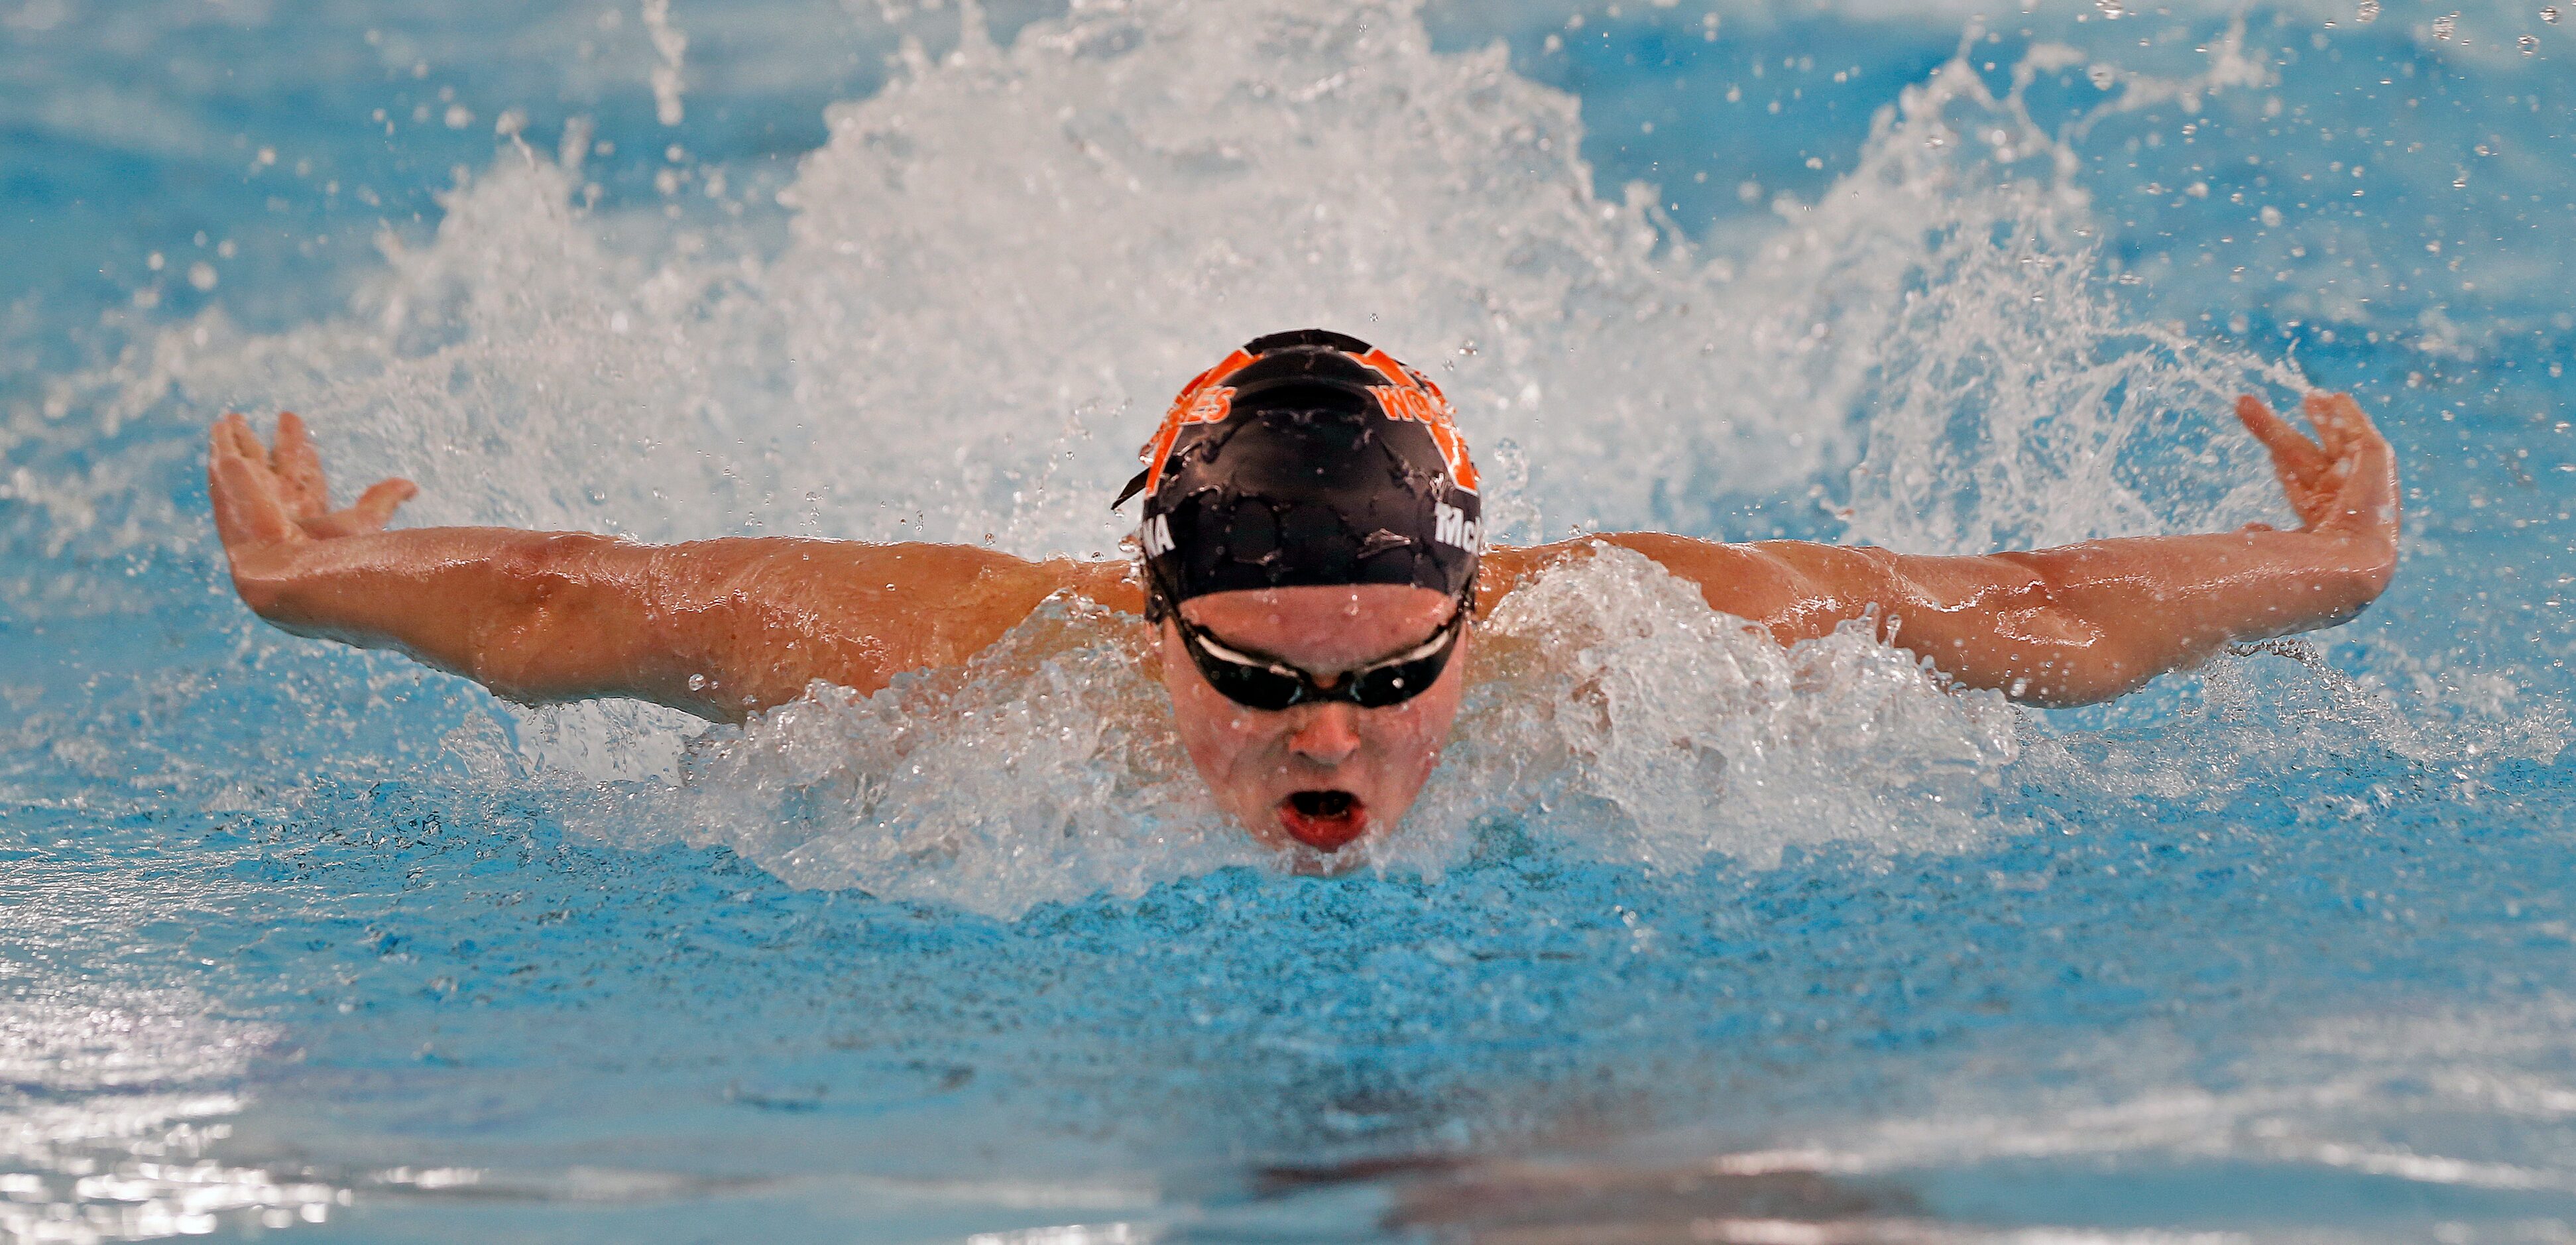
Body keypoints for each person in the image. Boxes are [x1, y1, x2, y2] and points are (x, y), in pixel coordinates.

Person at [207, 329, 2400, 853]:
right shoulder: (954, 662)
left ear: (1483, 606)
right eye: (1253, 682)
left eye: (1394, 674)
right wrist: (324, 584)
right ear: (1145, 611)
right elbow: (578, 604)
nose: (1329, 741)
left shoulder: (1641, 645)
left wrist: (2317, 570)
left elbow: (2025, 614)